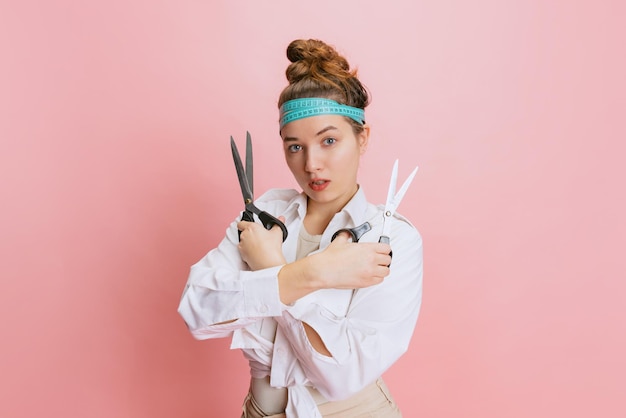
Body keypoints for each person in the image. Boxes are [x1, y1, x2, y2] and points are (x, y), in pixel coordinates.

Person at [178, 39, 423, 418]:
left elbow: (342, 375)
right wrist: (313, 272)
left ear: (363, 138)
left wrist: (269, 271)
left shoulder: (391, 239)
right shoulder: (267, 215)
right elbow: (197, 310)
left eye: (328, 141)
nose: (311, 164)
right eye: (295, 147)